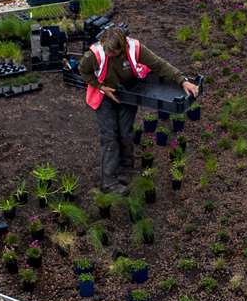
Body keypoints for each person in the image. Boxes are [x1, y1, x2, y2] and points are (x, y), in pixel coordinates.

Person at [79, 26, 200, 194]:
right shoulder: (93, 55)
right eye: (107, 51)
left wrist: (182, 81)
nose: (109, 55)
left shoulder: (135, 48)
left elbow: (159, 64)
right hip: (104, 96)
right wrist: (101, 86)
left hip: (127, 93)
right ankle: (109, 182)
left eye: (113, 52)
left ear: (122, 48)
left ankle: (125, 169)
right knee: (110, 138)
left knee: (126, 133)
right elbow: (83, 71)